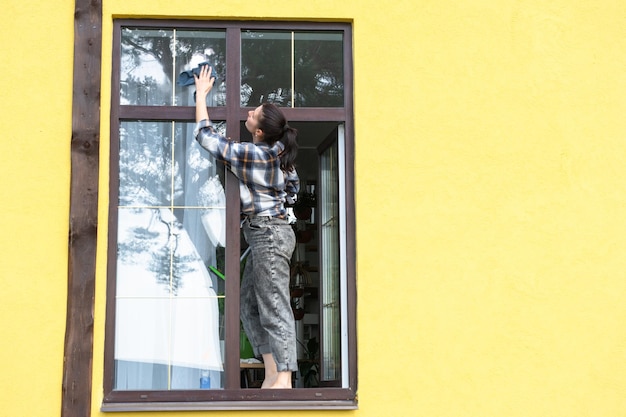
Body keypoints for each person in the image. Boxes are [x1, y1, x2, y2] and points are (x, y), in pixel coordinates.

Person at [193, 65, 299, 389]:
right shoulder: (279, 155)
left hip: (268, 234)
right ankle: (271, 371)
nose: (249, 112)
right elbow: (292, 190)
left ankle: (284, 379)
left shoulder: (257, 155)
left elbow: (206, 137)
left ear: (258, 132)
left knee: (273, 305)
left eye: (254, 114)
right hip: (267, 233)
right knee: (248, 304)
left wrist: (201, 96)